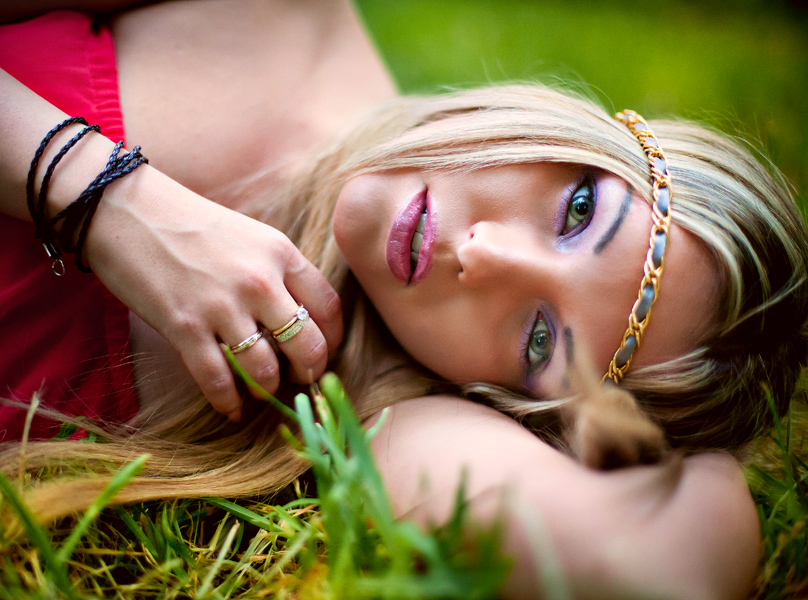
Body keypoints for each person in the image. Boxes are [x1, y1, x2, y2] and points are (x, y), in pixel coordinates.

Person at [1, 2, 806, 598]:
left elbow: (662, 574)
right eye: (580, 211)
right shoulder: (269, 16)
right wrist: (107, 202)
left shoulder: (395, 408)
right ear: (587, 130)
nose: (482, 257)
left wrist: (697, 427)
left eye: (539, 341)